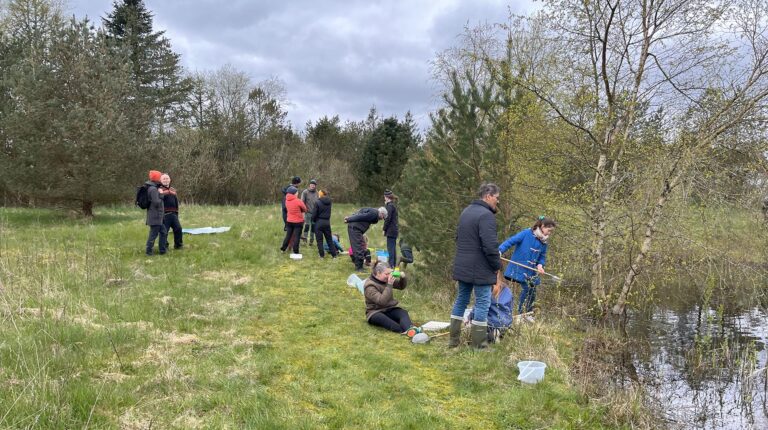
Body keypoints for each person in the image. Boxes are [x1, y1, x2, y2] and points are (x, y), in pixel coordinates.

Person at [448, 183, 502, 349]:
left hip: (463, 264)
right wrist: (496, 265)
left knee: (461, 300)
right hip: (480, 268)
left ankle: (454, 341)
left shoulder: (466, 212)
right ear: (488, 196)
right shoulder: (486, 216)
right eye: (496, 198)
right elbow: (490, 246)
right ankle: (479, 345)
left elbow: (458, 238)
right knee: (483, 303)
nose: (497, 202)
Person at [499, 216, 556, 320]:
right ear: (542, 226)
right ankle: (522, 313)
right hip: (520, 268)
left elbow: (542, 257)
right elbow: (511, 241)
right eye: (549, 230)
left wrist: (540, 265)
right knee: (527, 288)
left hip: (532, 272)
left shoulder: (544, 242)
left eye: (551, 231)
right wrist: (499, 250)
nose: (549, 233)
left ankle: (528, 313)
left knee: (533, 290)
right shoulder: (526, 233)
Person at [364, 261, 416, 334]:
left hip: (389, 309)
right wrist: (389, 285)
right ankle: (405, 331)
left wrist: (403, 278)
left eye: (390, 273)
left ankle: (410, 331)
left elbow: (401, 286)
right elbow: (381, 301)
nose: (389, 276)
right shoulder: (369, 286)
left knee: (403, 313)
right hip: (375, 312)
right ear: (378, 273)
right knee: (395, 326)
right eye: (387, 274)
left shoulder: (385, 279)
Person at [344, 206, 387, 272]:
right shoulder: (374, 213)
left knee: (359, 246)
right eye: (383, 217)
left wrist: (351, 217)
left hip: (355, 228)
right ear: (381, 213)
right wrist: (349, 219)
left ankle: (359, 265)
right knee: (358, 247)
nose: (382, 219)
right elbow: (360, 216)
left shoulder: (372, 211)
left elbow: (360, 212)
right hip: (355, 229)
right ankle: (359, 268)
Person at [144, 170, 168, 256]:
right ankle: (148, 252)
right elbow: (156, 202)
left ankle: (163, 250)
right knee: (153, 235)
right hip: (155, 216)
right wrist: (161, 194)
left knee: (163, 232)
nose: (161, 178)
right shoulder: (153, 189)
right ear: (157, 178)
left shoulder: (153, 187)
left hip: (157, 216)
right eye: (160, 177)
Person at [159, 173, 183, 250]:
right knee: (164, 232)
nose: (166, 180)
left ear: (170, 180)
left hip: (174, 214)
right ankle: (165, 246)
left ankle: (178, 245)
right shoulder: (159, 190)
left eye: (167, 178)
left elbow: (176, 201)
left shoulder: (173, 189)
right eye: (164, 179)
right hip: (164, 214)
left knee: (178, 229)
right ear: (161, 180)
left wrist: (177, 212)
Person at [280, 186, 306, 254]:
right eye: (297, 192)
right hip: (298, 222)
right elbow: (305, 209)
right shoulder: (298, 201)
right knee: (297, 236)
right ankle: (296, 251)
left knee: (288, 235)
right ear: (294, 193)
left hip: (289, 221)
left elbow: (286, 209)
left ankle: (283, 249)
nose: (297, 193)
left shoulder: (286, 200)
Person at [312, 189, 338, 258]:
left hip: (319, 222)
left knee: (319, 240)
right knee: (329, 239)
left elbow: (314, 214)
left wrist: (314, 220)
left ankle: (321, 255)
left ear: (320, 194)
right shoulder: (329, 202)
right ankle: (334, 255)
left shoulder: (317, 202)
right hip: (327, 222)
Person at [382, 190, 399, 267]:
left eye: (384, 197)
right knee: (393, 248)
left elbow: (387, 219)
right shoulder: (392, 205)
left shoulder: (390, 206)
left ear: (387, 197)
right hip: (394, 230)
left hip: (391, 230)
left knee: (390, 248)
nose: (384, 198)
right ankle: (393, 264)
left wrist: (384, 229)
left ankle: (391, 265)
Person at [301, 179, 320, 245]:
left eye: (314, 185)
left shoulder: (317, 193)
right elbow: (302, 202)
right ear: (309, 185)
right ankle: (304, 240)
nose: (313, 186)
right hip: (307, 213)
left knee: (313, 227)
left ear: (315, 186)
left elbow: (319, 203)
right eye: (312, 184)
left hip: (315, 213)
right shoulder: (305, 192)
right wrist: (304, 211)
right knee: (307, 226)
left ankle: (311, 241)